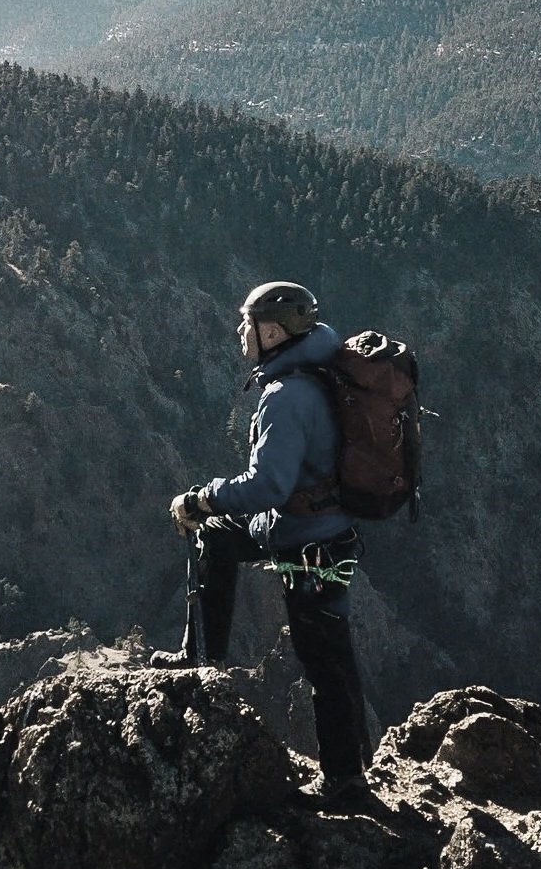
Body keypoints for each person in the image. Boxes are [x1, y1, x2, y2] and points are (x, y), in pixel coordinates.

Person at [151, 279, 376, 807]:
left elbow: (268, 485)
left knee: (323, 657)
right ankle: (200, 656)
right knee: (218, 540)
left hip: (308, 543)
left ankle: (346, 782)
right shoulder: (315, 370)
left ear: (271, 331)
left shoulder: (288, 395)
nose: (240, 332)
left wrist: (201, 497)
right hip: (317, 531)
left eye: (246, 324)